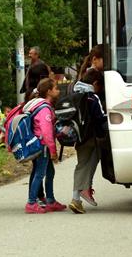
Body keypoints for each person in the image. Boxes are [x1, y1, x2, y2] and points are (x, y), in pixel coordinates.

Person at [69, 69, 108, 214]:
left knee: (81, 165)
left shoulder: (74, 94)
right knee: (91, 161)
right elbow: (100, 117)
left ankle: (77, 197)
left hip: (78, 136)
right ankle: (81, 194)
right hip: (91, 136)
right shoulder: (92, 97)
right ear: (95, 83)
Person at [24, 78, 66, 214]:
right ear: (49, 91)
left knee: (50, 172)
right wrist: (53, 150)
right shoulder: (44, 109)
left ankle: (51, 200)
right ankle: (31, 203)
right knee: (40, 173)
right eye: (56, 88)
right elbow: (46, 131)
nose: (58, 91)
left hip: (41, 144)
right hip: (43, 146)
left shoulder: (38, 105)